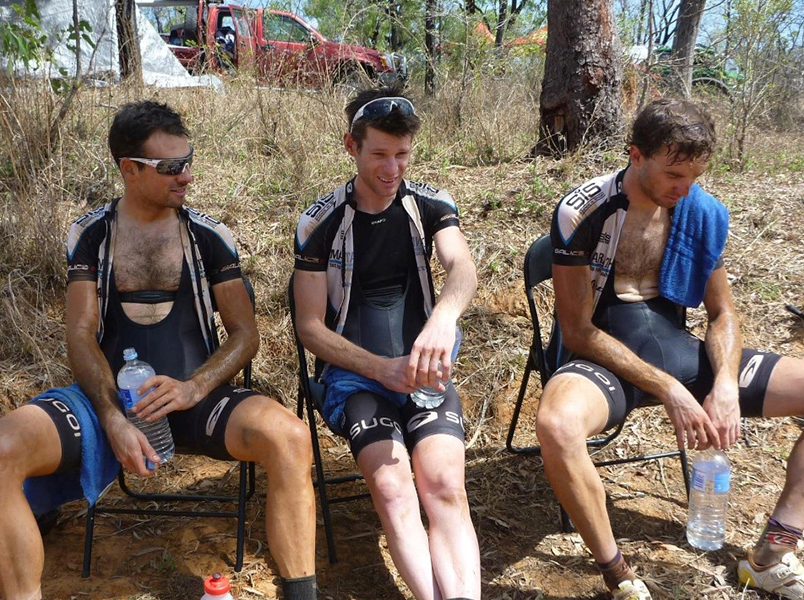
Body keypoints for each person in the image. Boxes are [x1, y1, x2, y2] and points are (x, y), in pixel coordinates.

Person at [0, 101, 318, 600]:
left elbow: (244, 334)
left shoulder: (208, 236)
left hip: (198, 400)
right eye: (171, 167)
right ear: (130, 169)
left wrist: (194, 386)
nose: (186, 176)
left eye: (189, 161)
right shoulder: (91, 235)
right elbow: (81, 334)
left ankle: (303, 594)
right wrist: (113, 418)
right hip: (109, 400)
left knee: (291, 438)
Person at [537, 97, 804, 600]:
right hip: (603, 355)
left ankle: (772, 552)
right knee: (556, 423)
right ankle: (618, 573)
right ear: (636, 155)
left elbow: (723, 313)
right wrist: (670, 390)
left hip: (677, 344)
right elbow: (576, 331)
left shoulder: (700, 209)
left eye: (695, 177)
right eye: (674, 176)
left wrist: (723, 383)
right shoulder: (584, 208)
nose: (685, 190)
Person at [293, 86, 481, 600]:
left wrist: (443, 318)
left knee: (444, 486)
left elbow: (462, 267)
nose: (392, 168)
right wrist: (380, 368)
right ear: (350, 147)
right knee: (395, 489)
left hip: (425, 369)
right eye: (378, 154)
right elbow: (309, 328)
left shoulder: (431, 205)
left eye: (402, 154)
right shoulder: (320, 222)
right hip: (357, 376)